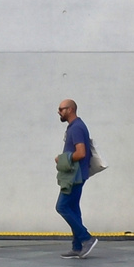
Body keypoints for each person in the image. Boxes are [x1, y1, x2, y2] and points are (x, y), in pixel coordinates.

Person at [55, 99, 97, 258]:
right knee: (73, 209)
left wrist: (62, 159)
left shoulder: (77, 128)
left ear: (70, 109)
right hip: (77, 175)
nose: (59, 112)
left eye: (61, 109)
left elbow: (81, 153)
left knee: (62, 207)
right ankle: (77, 246)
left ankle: (86, 238)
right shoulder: (76, 126)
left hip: (74, 176)